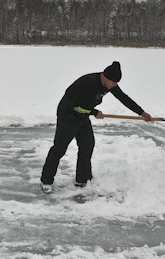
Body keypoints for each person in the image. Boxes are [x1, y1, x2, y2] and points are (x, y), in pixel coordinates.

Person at [40, 61, 152, 193]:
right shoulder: (89, 83)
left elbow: (123, 98)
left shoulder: (110, 84)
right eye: (114, 83)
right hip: (68, 115)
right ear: (105, 77)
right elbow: (76, 106)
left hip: (82, 115)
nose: (115, 86)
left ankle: (82, 179)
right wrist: (94, 112)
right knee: (59, 148)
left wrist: (141, 112)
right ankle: (46, 181)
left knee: (87, 145)